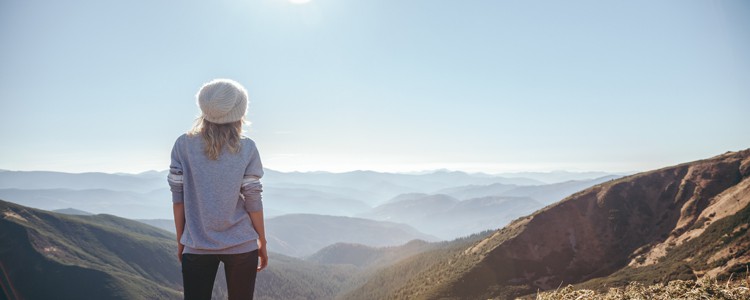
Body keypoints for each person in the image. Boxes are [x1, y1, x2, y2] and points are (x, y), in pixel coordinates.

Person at [168, 79, 268, 300]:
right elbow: (253, 199)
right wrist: (262, 241)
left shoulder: (182, 145)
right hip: (242, 244)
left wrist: (181, 241)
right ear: (239, 112)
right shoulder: (247, 147)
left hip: (196, 245)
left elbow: (178, 199)